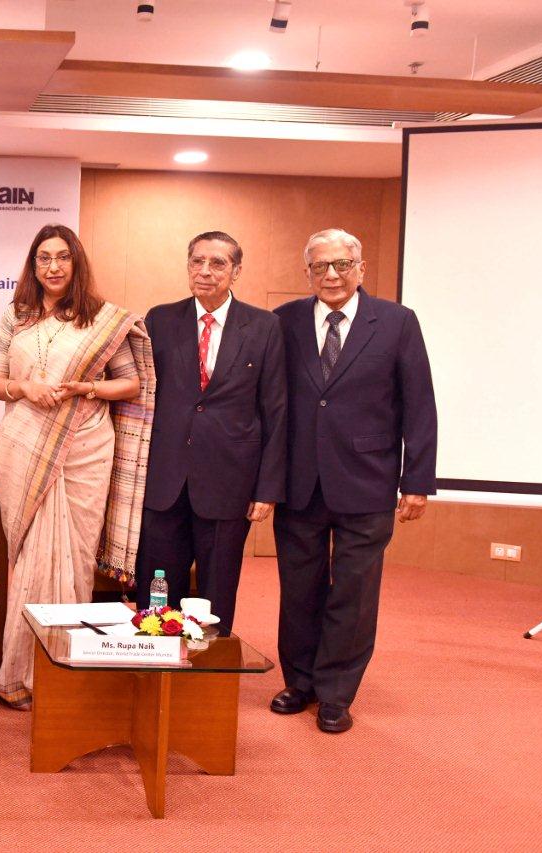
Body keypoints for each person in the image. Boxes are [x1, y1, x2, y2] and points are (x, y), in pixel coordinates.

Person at [271, 228, 437, 733]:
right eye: (321, 266)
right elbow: (273, 406)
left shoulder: (396, 322)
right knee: (299, 589)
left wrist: (418, 480)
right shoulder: (283, 321)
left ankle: (337, 693)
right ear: (307, 273)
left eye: (342, 264)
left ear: (361, 268)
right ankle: (300, 682)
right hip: (299, 483)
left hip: (367, 481)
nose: (332, 275)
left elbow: (419, 404)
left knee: (354, 591)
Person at [0, 224, 154, 709]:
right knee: (28, 557)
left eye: (63, 257)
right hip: (25, 443)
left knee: (74, 559)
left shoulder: (103, 319)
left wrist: (86, 389)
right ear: (33, 265)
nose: (53, 267)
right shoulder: (16, 314)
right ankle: (17, 673)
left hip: (85, 446)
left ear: (76, 263)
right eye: (44, 258)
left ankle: (61, 670)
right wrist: (24, 389)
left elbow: (132, 384)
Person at [134, 231, 286, 636]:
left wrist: (267, 488)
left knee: (217, 593)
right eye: (197, 261)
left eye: (217, 263)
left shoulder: (265, 326)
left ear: (236, 270)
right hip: (164, 481)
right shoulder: (160, 319)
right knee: (156, 590)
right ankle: (155, 671)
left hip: (229, 483)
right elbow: (142, 397)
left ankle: (207, 680)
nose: (205, 271)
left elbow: (275, 411)